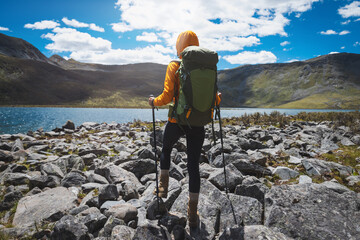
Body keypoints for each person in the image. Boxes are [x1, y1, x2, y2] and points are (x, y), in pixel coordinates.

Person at [148, 30, 221, 228]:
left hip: (177, 120)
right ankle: (192, 212)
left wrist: (153, 102)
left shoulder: (174, 65)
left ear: (180, 46)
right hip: (198, 123)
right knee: (193, 167)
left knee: (166, 149)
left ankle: (162, 188)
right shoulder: (208, 68)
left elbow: (167, 95)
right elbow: (216, 97)